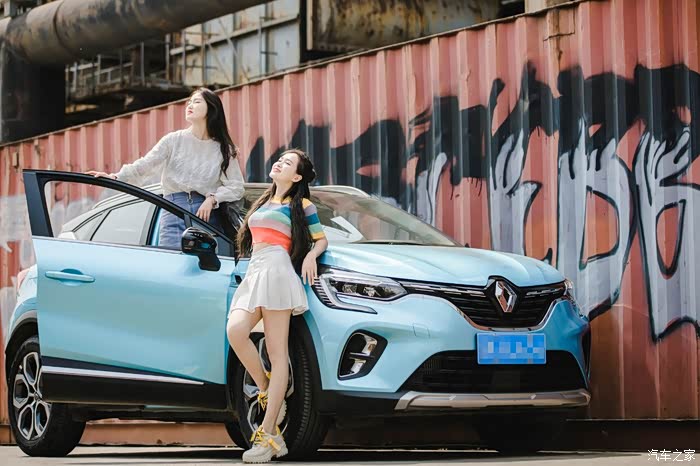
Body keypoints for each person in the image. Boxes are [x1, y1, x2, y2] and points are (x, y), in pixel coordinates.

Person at [226, 149, 328, 463]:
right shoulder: (263, 202)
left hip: (278, 271)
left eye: (288, 162)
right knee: (235, 331)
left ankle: (269, 434)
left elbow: (320, 239)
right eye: (280, 159)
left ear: (296, 176)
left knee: (276, 352)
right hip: (255, 270)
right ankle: (268, 390)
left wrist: (311, 256)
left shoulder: (303, 205)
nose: (280, 163)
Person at [87, 87, 244, 249]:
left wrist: (212, 199)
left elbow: (237, 187)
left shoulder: (224, 149)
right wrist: (115, 177)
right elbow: (145, 165)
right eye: (189, 102)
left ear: (212, 109)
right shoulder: (173, 140)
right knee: (172, 260)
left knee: (207, 264)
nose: (190, 105)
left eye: (196, 102)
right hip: (173, 211)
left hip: (206, 216)